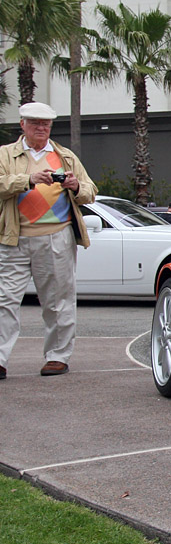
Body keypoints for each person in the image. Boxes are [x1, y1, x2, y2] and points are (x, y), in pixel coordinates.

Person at [0, 102, 97, 378]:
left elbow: (90, 189)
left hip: (57, 237)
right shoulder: (6, 154)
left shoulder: (65, 156)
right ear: (22, 125)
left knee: (58, 300)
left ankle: (57, 356)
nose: (41, 128)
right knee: (4, 300)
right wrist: (28, 179)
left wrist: (75, 186)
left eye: (46, 124)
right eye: (34, 123)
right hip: (13, 237)